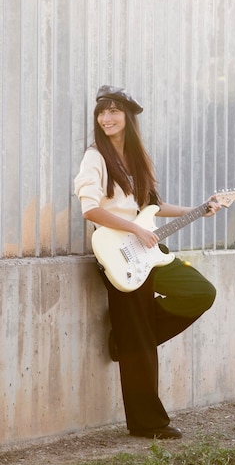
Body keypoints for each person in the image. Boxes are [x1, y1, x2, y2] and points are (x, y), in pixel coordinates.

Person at [74, 85, 220, 439]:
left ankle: (125, 338)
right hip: (117, 252)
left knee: (200, 292)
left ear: (128, 117)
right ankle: (147, 423)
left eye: (113, 111)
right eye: (101, 112)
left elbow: (152, 205)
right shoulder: (95, 157)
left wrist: (199, 209)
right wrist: (133, 230)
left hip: (148, 250)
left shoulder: (138, 159)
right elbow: (90, 209)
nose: (106, 118)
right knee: (139, 340)